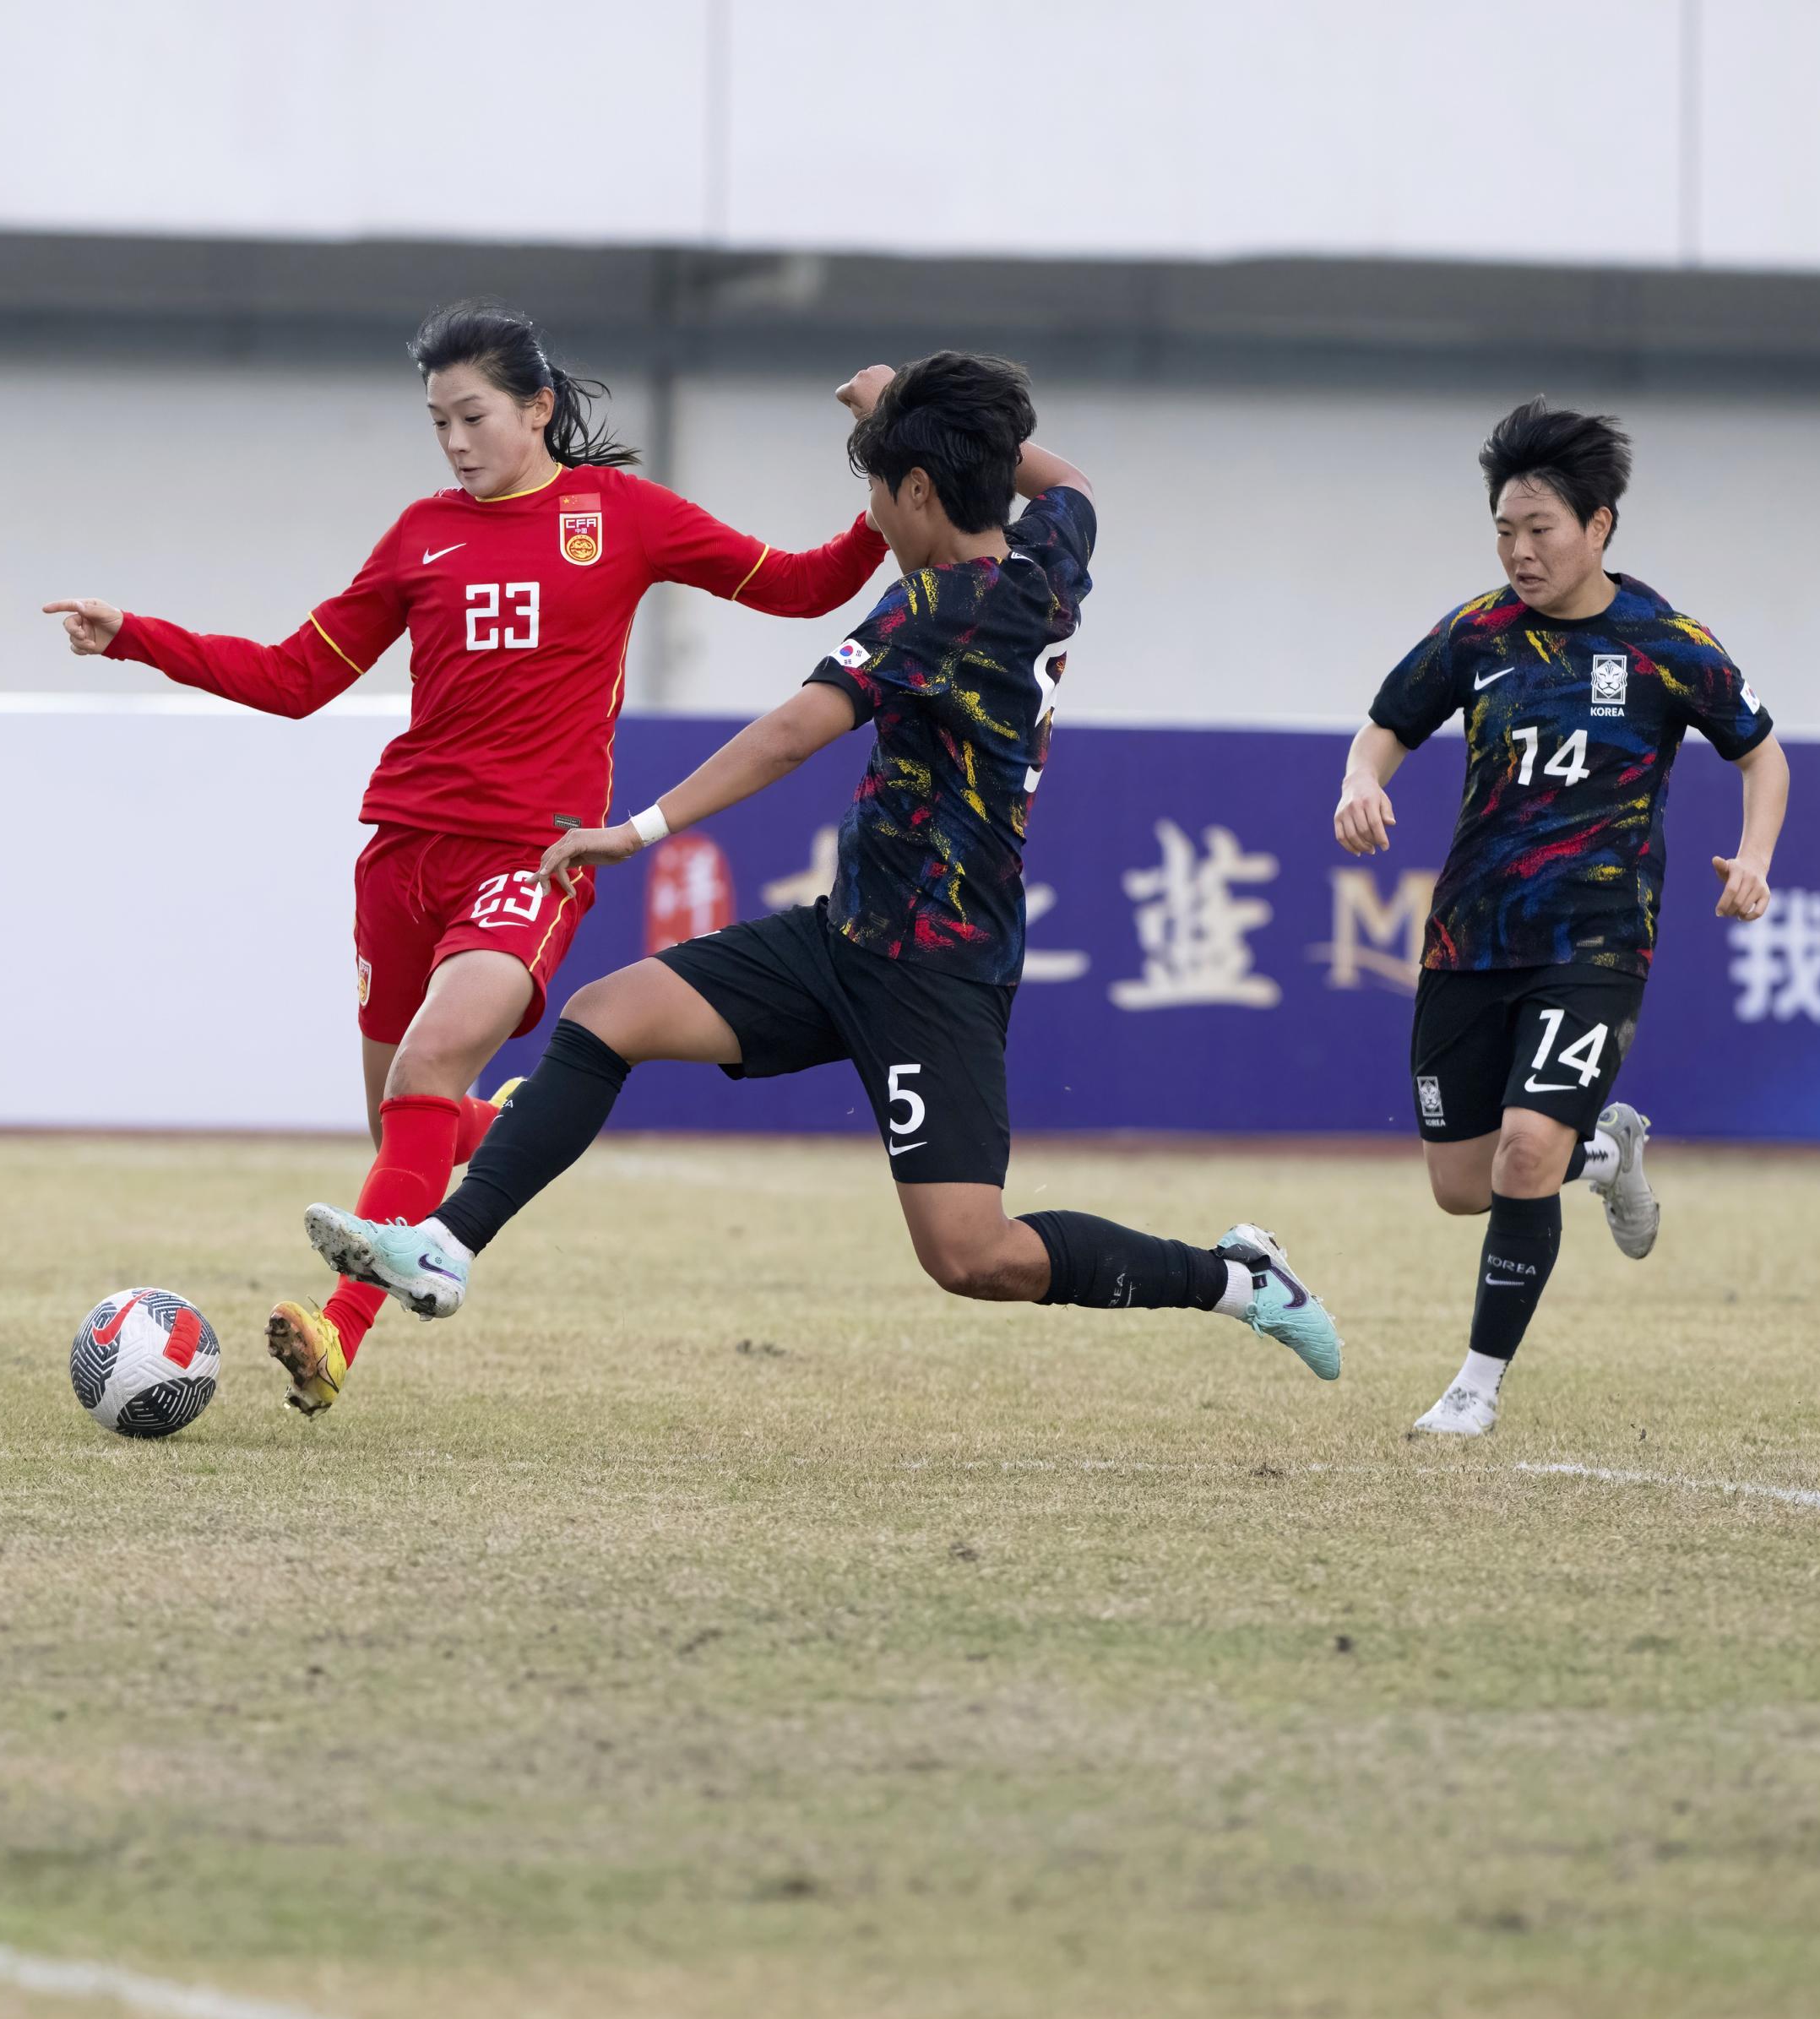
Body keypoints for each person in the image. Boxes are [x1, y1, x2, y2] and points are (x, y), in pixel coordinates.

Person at [301, 353, 1343, 1383]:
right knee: (604, 1016)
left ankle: (1238, 1280)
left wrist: (640, 828)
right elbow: (1069, 482)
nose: (876, 517)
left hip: (936, 970)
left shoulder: (936, 610)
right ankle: (448, 1243)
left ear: (921, 492)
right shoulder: (1049, 554)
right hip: (842, 934)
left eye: (881, 490)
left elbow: (796, 730)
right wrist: (920, 415)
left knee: (971, 1255)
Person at [46, 299, 895, 1415]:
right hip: (400, 857)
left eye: (473, 415)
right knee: (405, 1127)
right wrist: (138, 636)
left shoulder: (619, 514)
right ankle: (520, 1134)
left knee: (421, 1076)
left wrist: (888, 483)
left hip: (531, 858)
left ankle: (334, 1331)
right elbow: (296, 677)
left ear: (537, 407)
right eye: (437, 420)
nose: (453, 440)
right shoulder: (418, 536)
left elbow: (800, 584)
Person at [1334, 400, 1789, 1437]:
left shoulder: (1669, 643)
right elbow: (1383, 727)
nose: (1519, 550)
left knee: (1525, 1150)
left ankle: (1475, 1387)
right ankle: (1606, 1157)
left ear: (1600, 526)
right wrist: (1358, 784)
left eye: (1540, 528)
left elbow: (1763, 754)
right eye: (1504, 529)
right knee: (1465, 1184)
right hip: (1468, 936)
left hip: (1596, 941)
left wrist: (1753, 860)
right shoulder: (1476, 632)